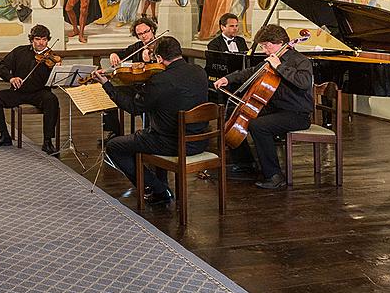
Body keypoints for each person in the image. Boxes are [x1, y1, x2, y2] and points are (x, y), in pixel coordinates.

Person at [94, 36, 209, 204]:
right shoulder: (199, 71)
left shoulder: (161, 81)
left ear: (160, 58)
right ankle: (159, 185)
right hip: (200, 140)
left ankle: (158, 189)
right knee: (155, 130)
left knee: (115, 146)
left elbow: (134, 108)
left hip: (172, 143)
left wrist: (107, 85)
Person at [214, 24, 312, 189]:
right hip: (277, 108)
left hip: (297, 113)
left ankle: (274, 175)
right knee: (236, 110)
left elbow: (303, 82)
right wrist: (228, 79)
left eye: (267, 45)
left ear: (280, 42)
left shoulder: (300, 61)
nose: (265, 50)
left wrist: (279, 66)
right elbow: (252, 71)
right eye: (263, 46)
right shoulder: (272, 59)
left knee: (259, 126)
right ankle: (245, 162)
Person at [0, 24, 60, 154]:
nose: (41, 43)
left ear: (48, 40)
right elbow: (2, 66)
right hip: (18, 92)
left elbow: (54, 83)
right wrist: (11, 78)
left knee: (52, 100)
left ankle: (47, 142)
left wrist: (56, 70)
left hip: (40, 93)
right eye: (38, 39)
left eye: (44, 39)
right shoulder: (19, 51)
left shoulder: (51, 58)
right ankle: (4, 136)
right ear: (31, 40)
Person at [101, 18, 159, 138]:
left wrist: (151, 60)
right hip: (137, 86)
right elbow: (122, 53)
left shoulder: (162, 45)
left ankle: (150, 132)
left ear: (152, 29)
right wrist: (114, 54)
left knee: (149, 101)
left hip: (156, 88)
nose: (144, 36)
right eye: (140, 34)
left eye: (146, 32)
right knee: (110, 92)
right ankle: (114, 131)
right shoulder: (137, 47)